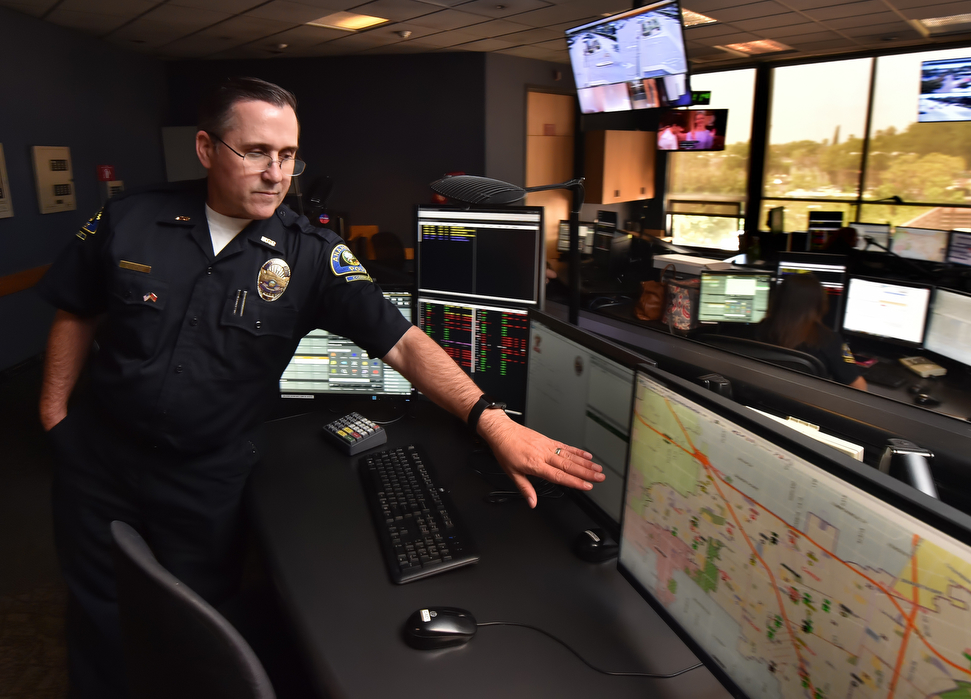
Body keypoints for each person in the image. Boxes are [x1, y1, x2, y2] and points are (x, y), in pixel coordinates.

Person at [37, 77, 604, 698]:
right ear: (206, 148)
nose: (275, 173)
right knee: (96, 616)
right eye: (255, 151)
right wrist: (54, 414)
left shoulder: (312, 255)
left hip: (204, 479)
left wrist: (491, 421)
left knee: (197, 628)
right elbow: (77, 310)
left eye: (287, 156)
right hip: (97, 460)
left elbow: (404, 342)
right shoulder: (130, 218)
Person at [756, 273, 867, 390]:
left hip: (761, 401)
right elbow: (859, 387)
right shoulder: (829, 339)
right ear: (819, 303)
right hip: (805, 406)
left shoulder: (759, 329)